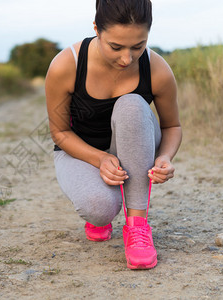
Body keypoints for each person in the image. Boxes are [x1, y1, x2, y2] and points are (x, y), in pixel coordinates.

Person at [45, 0, 182, 270]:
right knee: (99, 208)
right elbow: (59, 132)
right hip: (81, 151)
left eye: (138, 46)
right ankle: (103, 210)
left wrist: (164, 156)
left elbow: (172, 127)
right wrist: (99, 159)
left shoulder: (157, 69)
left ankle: (137, 228)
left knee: (131, 104)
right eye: (116, 47)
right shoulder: (66, 66)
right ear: (96, 29)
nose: (127, 58)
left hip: (135, 144)